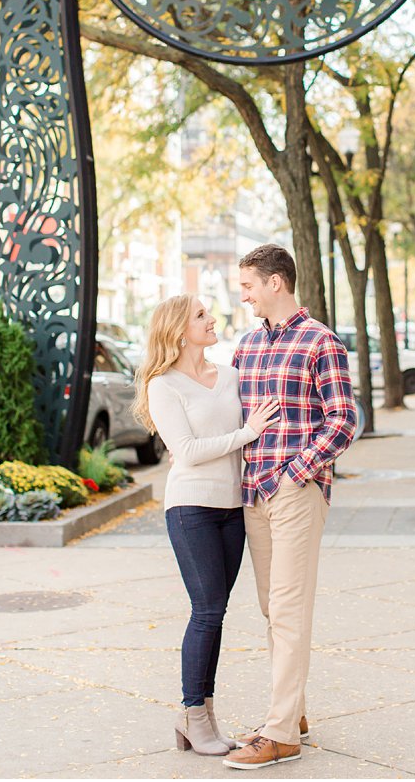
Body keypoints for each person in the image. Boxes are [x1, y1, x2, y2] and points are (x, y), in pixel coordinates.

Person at [223, 243, 359, 771]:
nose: (245, 296)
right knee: (271, 607)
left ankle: (280, 734)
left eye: (249, 286)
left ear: (276, 282)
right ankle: (293, 709)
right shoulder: (247, 346)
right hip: (253, 492)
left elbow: (344, 420)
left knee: (288, 607)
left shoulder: (322, 342)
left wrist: (295, 474)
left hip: (296, 491)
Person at [133, 295, 281, 757]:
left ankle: (202, 717)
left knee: (215, 612)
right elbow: (189, 450)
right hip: (190, 507)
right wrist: (245, 434)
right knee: (207, 609)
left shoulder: (232, 376)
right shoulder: (163, 386)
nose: (212, 319)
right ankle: (194, 714)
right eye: (201, 315)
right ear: (178, 329)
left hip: (232, 507)